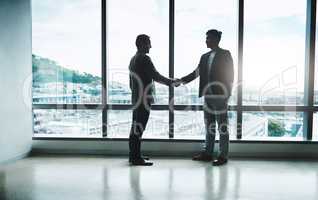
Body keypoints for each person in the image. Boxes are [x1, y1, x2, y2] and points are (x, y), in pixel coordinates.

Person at [178, 29, 234, 166]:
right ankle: (208, 153)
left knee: (222, 127)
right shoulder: (204, 56)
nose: (206, 41)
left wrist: (227, 94)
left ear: (216, 39)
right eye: (206, 38)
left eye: (208, 38)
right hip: (207, 95)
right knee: (209, 125)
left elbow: (231, 75)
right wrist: (180, 80)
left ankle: (223, 156)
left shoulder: (225, 54)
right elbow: (196, 73)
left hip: (220, 95)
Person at [128, 34, 180, 166]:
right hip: (143, 99)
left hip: (136, 98)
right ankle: (136, 158)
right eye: (148, 43)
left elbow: (131, 82)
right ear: (142, 44)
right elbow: (155, 75)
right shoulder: (145, 59)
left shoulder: (133, 59)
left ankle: (134, 155)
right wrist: (171, 82)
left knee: (135, 127)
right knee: (139, 128)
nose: (151, 46)